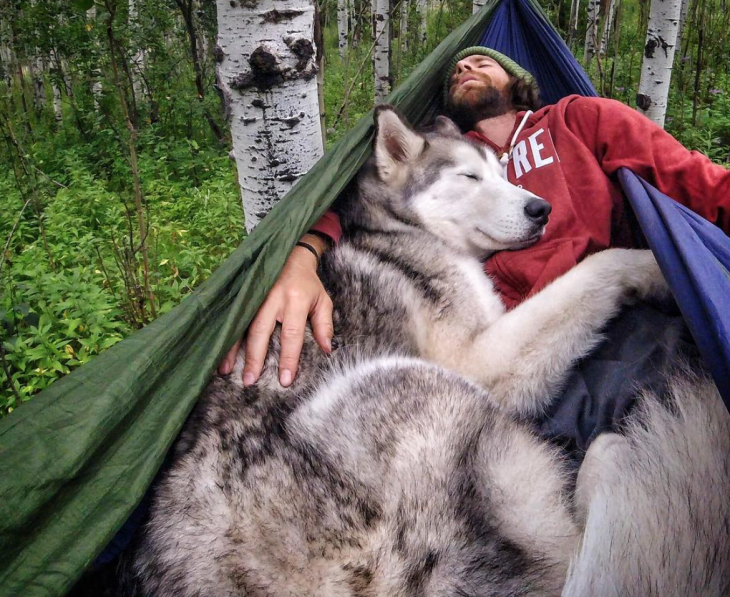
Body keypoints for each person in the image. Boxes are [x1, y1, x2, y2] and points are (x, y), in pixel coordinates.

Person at [219, 46, 730, 449]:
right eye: (458, 67)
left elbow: (694, 181)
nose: (466, 66)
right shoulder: (448, 161)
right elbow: (369, 199)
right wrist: (303, 250)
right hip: (507, 357)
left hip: (618, 334)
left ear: (518, 82)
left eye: (483, 61)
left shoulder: (578, 120)